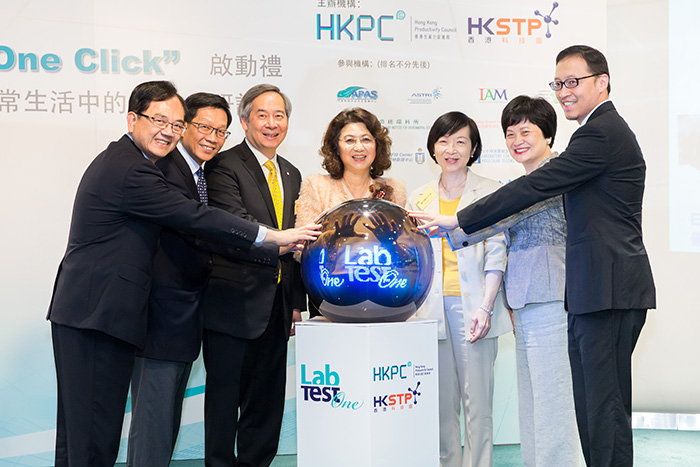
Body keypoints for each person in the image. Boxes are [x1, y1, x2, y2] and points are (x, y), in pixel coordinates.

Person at [46, 81, 319, 467]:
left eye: (175, 124)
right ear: (132, 118)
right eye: (162, 121)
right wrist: (271, 238)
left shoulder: (143, 164)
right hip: (97, 313)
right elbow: (195, 218)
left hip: (102, 313)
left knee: (84, 435)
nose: (169, 131)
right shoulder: (134, 170)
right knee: (92, 435)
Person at [414, 45, 656, 467]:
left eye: (573, 81)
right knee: (594, 409)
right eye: (559, 83)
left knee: (598, 410)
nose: (565, 91)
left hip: (604, 290)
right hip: (593, 293)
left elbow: (530, 192)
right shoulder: (598, 132)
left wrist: (460, 221)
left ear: (602, 82)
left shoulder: (598, 134)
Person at [126, 92, 255, 467]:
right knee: (153, 422)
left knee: (164, 421)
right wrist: (269, 239)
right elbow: (196, 227)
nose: (212, 138)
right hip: (159, 317)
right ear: (184, 127)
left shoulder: (199, 173)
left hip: (184, 318)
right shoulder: (163, 170)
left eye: (221, 131)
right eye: (203, 127)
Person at [456, 96, 581, 466]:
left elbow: (495, 220)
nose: (516, 140)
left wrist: (454, 226)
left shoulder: (558, 173)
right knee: (531, 398)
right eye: (510, 134)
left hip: (554, 297)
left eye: (526, 131)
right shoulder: (522, 181)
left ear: (547, 134)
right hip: (526, 301)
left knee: (553, 400)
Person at [197, 84, 305, 467]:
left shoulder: (291, 172)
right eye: (262, 115)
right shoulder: (224, 166)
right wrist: (284, 243)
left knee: (267, 401)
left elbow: (297, 243)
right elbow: (233, 227)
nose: (271, 124)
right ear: (244, 121)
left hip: (275, 308)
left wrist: (295, 303)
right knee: (225, 401)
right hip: (232, 305)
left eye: (279, 116)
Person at [407, 112, 510, 467]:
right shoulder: (418, 197)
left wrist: (485, 307)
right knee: (439, 403)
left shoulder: (490, 191)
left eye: (460, 141)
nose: (451, 150)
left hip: (476, 309)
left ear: (473, 148)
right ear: (433, 148)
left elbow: (497, 253)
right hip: (430, 310)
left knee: (478, 403)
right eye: (443, 141)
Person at [294, 107, 407, 317]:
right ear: (336, 147)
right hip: (330, 296)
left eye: (366, 139)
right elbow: (301, 249)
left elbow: (406, 253)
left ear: (376, 145)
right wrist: (335, 239)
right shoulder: (317, 185)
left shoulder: (394, 189)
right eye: (349, 140)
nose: (359, 147)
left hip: (386, 294)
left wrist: (389, 243)